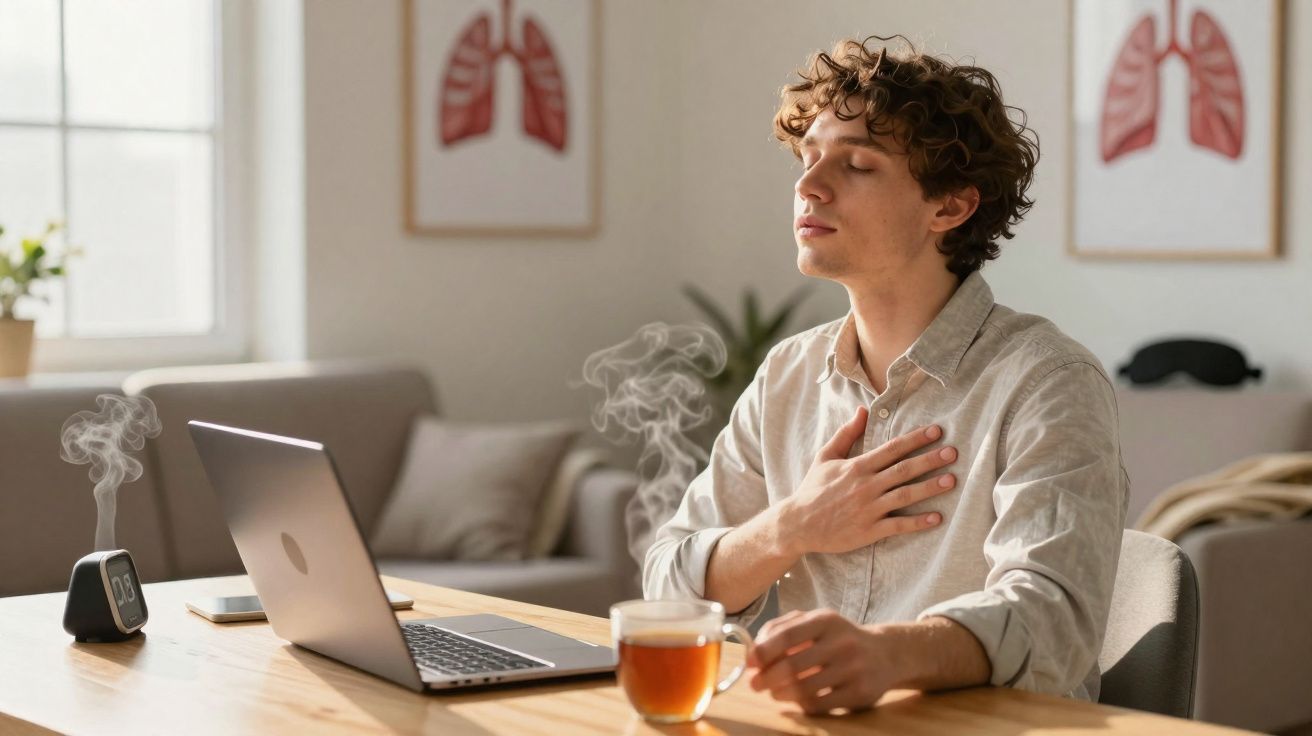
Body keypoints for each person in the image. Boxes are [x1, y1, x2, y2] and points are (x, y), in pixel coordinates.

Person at [643, 35, 1129, 715]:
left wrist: (888, 655)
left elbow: (1052, 619)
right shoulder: (787, 376)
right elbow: (666, 591)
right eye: (809, 159)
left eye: (857, 165)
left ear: (949, 207)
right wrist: (791, 528)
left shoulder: (1046, 381)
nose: (808, 185)